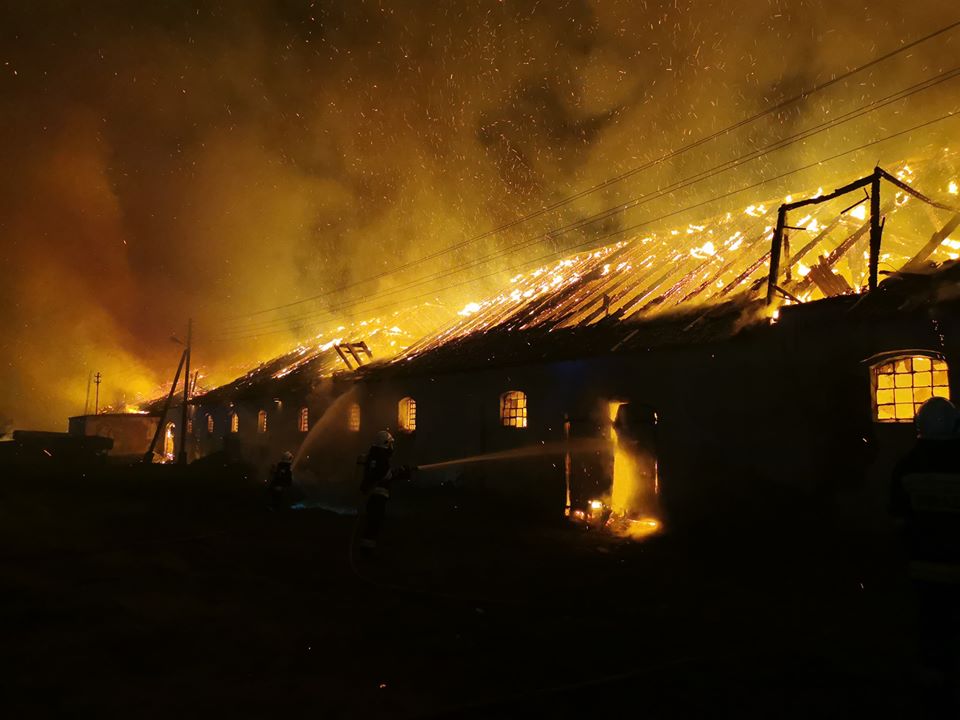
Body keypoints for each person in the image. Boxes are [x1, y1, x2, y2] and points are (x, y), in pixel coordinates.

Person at [890, 397, 960, 708]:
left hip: (922, 563)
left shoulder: (906, 466)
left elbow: (898, 519)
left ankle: (932, 679)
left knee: (930, 620)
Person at [359, 430, 396, 553]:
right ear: (385, 444)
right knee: (373, 524)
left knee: (372, 524)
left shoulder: (374, 456)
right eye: (390, 444)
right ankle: (368, 551)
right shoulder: (380, 457)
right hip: (377, 497)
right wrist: (402, 472)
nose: (392, 447)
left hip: (373, 496)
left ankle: (368, 548)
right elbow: (384, 475)